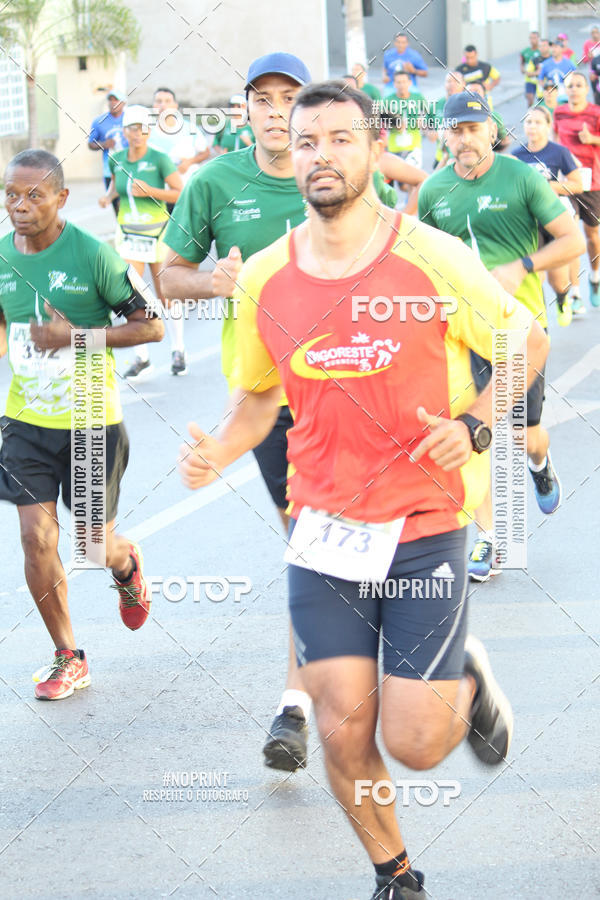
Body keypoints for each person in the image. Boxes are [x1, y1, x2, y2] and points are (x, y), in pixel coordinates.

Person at [178, 80, 550, 900]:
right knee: (343, 730)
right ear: (291, 157)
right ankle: (397, 874)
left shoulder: (429, 254)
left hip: (424, 518)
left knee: (416, 742)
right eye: (307, 142)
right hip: (323, 526)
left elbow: (526, 337)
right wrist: (217, 446)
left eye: (341, 139)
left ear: (374, 151)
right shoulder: (267, 277)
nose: (321, 155)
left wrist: (480, 424)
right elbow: (257, 398)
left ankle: (464, 677)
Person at [161, 54, 404, 776]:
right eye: (262, 99)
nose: (274, 111)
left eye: (288, 98)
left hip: (363, 390)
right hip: (272, 402)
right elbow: (167, 277)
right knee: (313, 549)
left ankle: (411, 668)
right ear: (248, 112)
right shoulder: (213, 183)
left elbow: (398, 252)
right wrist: (212, 279)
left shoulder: (347, 175)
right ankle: (301, 703)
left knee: (367, 552)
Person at [0, 150, 164, 700]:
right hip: (26, 419)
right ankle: (68, 655)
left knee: (94, 545)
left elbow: (150, 328)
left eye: (33, 195)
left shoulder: (93, 256)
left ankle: (126, 564)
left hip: (93, 418)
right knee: (35, 537)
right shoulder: (1, 257)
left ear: (61, 198)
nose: (19, 206)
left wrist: (77, 336)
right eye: (11, 194)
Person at [418, 92, 584, 582]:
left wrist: (523, 265)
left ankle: (540, 460)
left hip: (520, 328)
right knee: (479, 432)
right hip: (461, 333)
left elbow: (572, 239)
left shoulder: (522, 177)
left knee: (521, 434)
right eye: (456, 129)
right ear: (444, 135)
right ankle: (491, 539)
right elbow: (423, 261)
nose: (464, 138)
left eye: (473, 128)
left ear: (491, 130)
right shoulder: (432, 191)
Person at [99, 105, 184, 377]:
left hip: (158, 234)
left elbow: (180, 193)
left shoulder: (160, 159)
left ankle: (178, 350)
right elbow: (115, 185)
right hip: (129, 235)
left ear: (148, 131)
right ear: (124, 131)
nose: (136, 134)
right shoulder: (117, 158)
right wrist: (108, 197)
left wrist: (150, 191)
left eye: (141, 129)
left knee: (165, 293)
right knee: (130, 295)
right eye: (131, 128)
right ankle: (142, 355)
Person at [512, 105, 584, 321]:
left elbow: (577, 185)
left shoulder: (558, 152)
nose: (532, 127)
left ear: (547, 126)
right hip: (528, 220)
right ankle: (538, 325)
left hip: (553, 217)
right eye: (528, 122)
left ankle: (563, 300)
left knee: (558, 279)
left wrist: (548, 186)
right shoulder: (516, 156)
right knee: (533, 274)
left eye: (537, 122)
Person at [554, 71, 600, 307]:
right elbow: (553, 139)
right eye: (570, 85)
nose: (574, 89)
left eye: (578, 85)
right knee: (570, 234)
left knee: (592, 236)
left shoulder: (595, 113)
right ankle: (576, 294)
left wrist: (591, 139)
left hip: (592, 182)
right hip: (567, 182)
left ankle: (594, 277)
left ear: (586, 89)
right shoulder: (559, 112)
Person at [150, 86, 210, 206]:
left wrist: (189, 162)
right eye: (159, 101)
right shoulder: (147, 133)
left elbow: (205, 152)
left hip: (187, 193)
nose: (163, 105)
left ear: (175, 105)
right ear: (153, 106)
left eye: (168, 101)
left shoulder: (189, 128)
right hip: (159, 197)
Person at [88, 90, 127, 217]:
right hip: (110, 170)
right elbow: (91, 144)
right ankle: (121, 230)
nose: (113, 103)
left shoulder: (130, 119)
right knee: (117, 205)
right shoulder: (99, 121)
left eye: (116, 100)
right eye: (110, 100)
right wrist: (104, 144)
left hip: (129, 168)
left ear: (123, 102)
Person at [381, 69, 427, 169]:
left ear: (410, 83)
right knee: (398, 182)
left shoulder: (418, 98)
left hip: (413, 147)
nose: (402, 85)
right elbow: (382, 123)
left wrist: (422, 121)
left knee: (412, 180)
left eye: (404, 82)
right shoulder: (387, 100)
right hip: (394, 147)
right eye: (398, 82)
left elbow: (427, 115)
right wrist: (393, 125)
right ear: (394, 84)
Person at [521, 31, 542, 107]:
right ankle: (530, 114)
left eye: (534, 38)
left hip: (540, 79)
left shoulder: (542, 50)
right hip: (529, 79)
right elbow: (522, 64)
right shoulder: (525, 52)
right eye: (530, 38)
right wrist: (524, 70)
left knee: (541, 100)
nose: (532, 40)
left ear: (538, 39)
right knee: (530, 99)